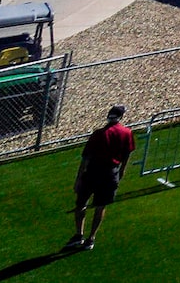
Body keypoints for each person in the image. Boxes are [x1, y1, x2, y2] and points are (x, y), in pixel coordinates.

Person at [66, 105, 133, 250]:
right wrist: (122, 170)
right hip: (111, 173)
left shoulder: (98, 134)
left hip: (93, 172)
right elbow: (127, 153)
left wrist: (78, 178)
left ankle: (79, 234)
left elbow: (86, 157)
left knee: (81, 204)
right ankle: (91, 238)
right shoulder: (126, 133)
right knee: (100, 206)